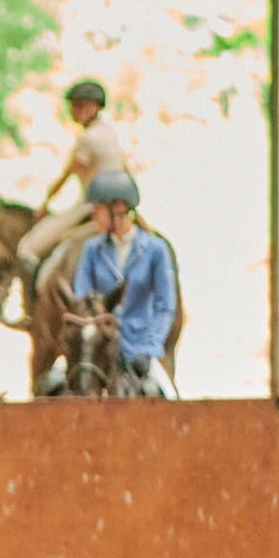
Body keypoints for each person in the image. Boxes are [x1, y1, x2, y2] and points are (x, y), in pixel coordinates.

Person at [69, 169, 177, 397]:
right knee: (54, 384)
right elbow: (82, 295)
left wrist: (150, 349)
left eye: (97, 209)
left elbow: (165, 307)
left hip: (138, 348)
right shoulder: (91, 249)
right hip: (96, 349)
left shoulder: (156, 250)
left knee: (168, 395)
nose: (93, 216)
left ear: (117, 208)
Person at [17, 78, 125, 300]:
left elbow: (67, 175)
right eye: (74, 106)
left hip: (91, 207)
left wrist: (45, 204)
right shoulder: (110, 133)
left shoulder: (88, 139)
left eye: (81, 106)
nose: (76, 111)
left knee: (27, 248)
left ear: (95, 108)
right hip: (120, 205)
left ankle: (29, 311)